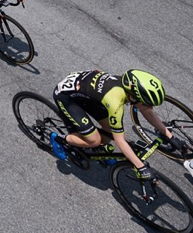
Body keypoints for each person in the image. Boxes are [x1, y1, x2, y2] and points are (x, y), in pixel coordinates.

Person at [50, 69, 189, 188]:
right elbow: (120, 141)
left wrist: (171, 138)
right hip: (67, 97)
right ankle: (60, 139)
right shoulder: (115, 102)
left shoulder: (127, 88)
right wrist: (140, 167)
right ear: (133, 97)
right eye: (147, 103)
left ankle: (97, 149)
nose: (150, 108)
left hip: (87, 92)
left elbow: (148, 113)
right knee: (94, 140)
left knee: (108, 132)